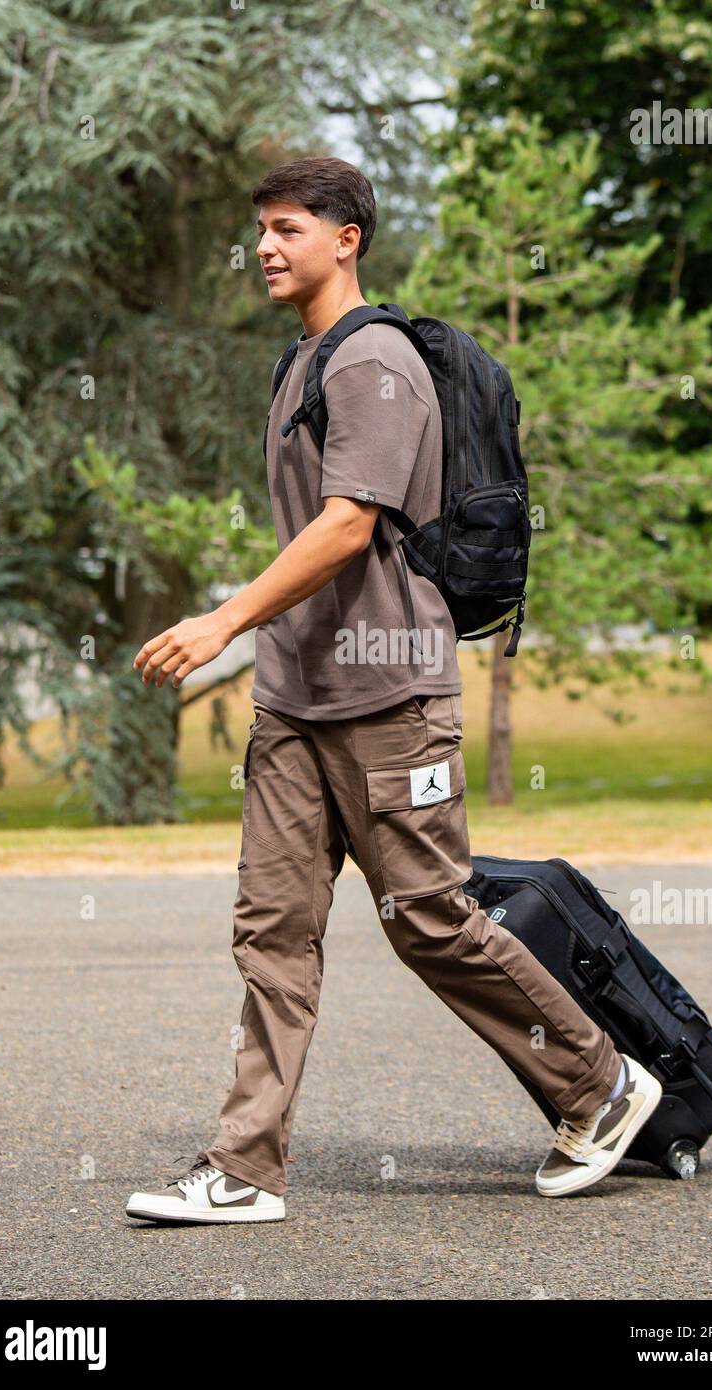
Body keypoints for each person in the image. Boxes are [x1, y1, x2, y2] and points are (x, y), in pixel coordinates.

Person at [125, 156, 661, 1224]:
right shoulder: (300, 363)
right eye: (262, 231)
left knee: (429, 918)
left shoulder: (373, 363)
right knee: (272, 927)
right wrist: (260, 650)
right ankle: (242, 1166)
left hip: (391, 701)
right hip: (296, 702)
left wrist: (224, 620)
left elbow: (345, 526)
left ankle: (602, 1085)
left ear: (346, 237)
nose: (266, 249)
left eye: (286, 229)